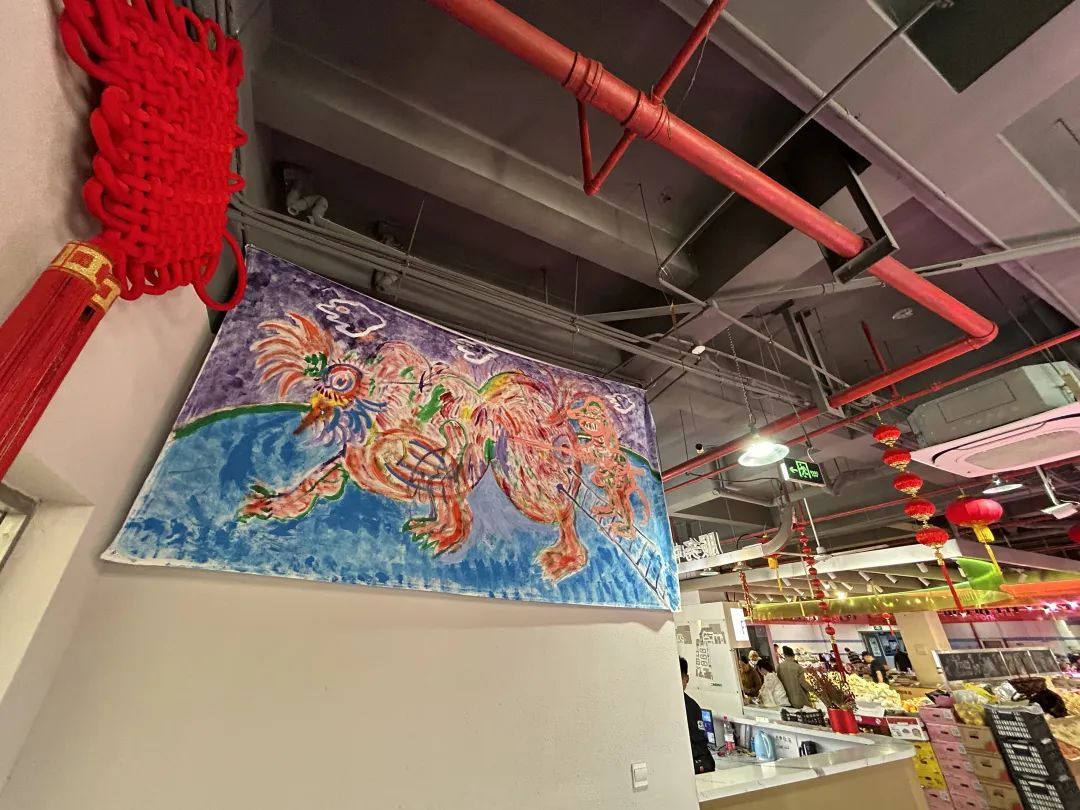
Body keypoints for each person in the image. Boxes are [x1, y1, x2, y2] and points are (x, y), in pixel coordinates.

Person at [680, 657, 715, 774]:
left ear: (686, 679)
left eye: (680, 678)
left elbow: (699, 741)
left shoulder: (692, 706)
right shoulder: (688, 705)